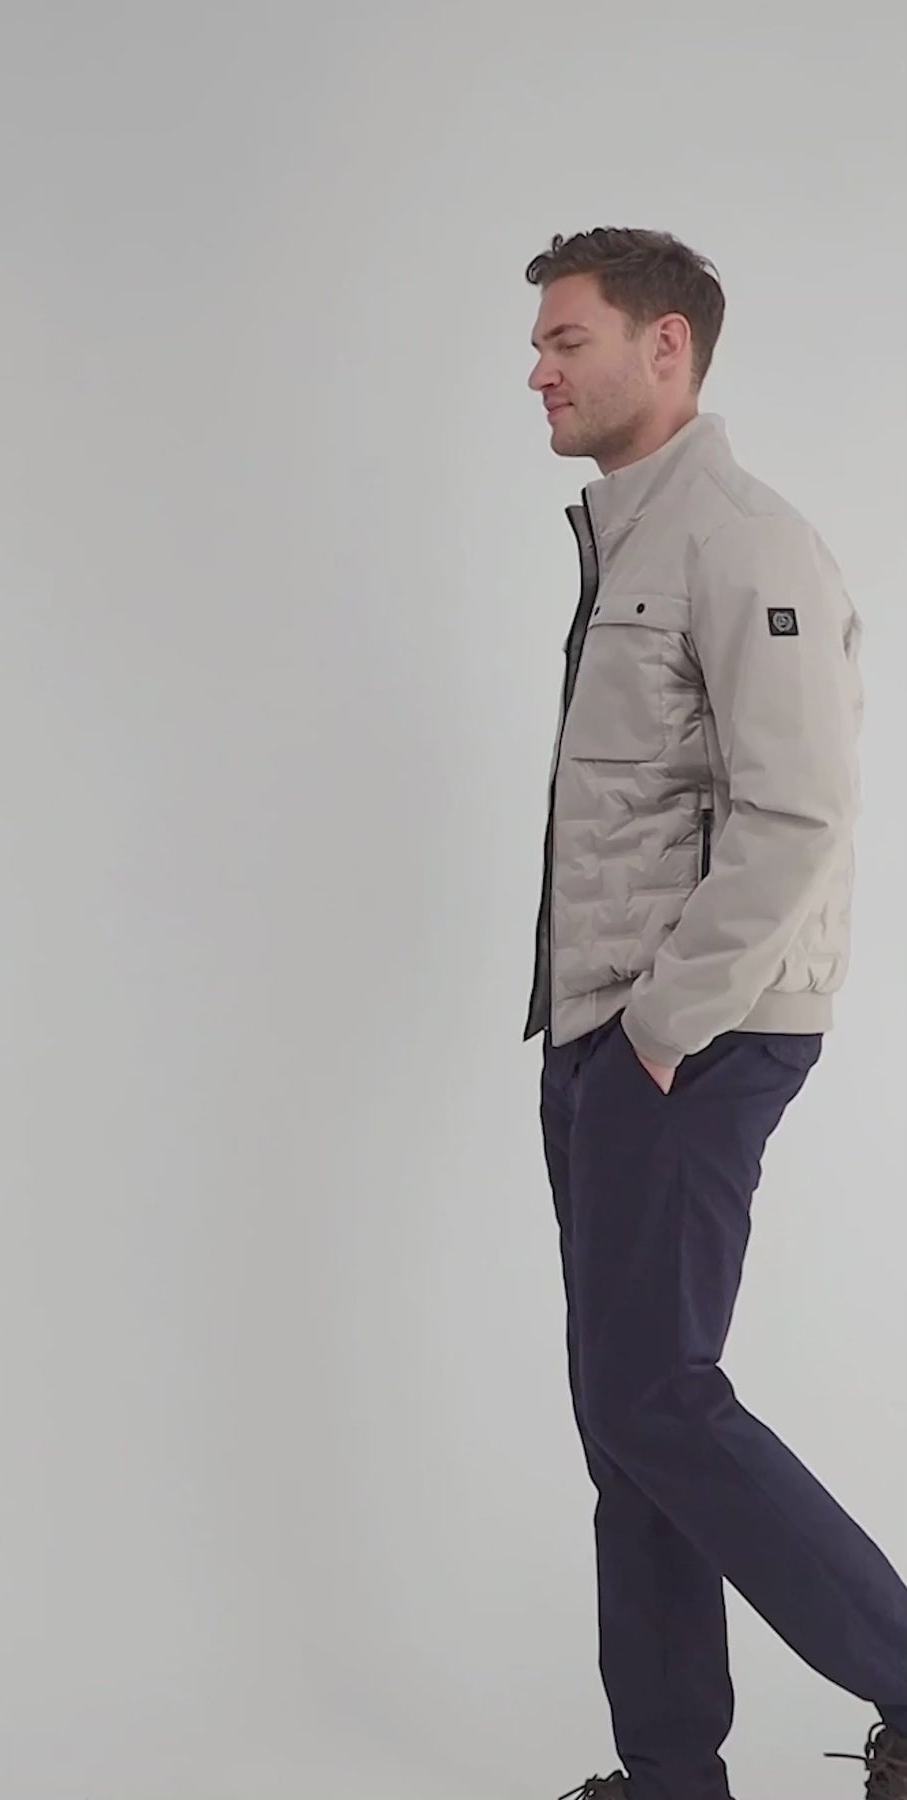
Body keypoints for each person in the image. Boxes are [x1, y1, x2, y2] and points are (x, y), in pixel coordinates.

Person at [521, 227, 907, 1800]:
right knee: (625, 1415)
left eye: (566, 340)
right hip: (605, 1033)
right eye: (537, 345)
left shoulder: (741, 542)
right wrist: (600, 1038)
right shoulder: (634, 535)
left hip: (694, 1032)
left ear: (664, 345)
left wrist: (663, 1026)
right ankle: (670, 1772)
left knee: (655, 1398)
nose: (537, 372)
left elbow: (797, 812)